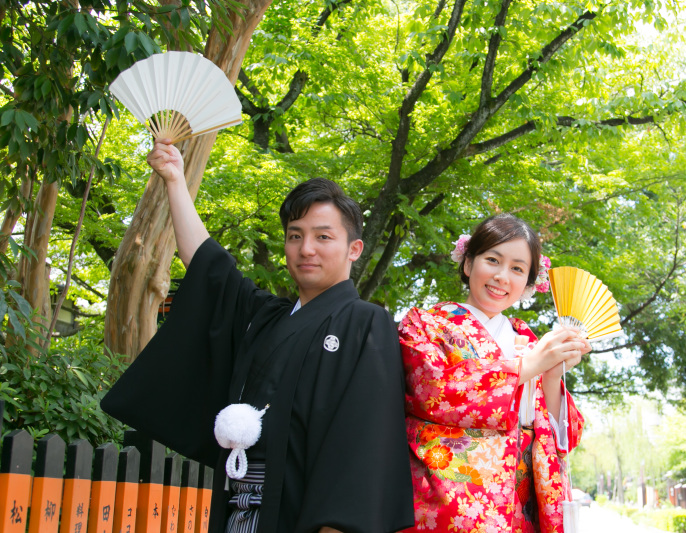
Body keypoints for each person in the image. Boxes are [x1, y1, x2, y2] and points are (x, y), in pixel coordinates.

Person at [101, 140, 414, 533]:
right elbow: (208, 268)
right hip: (239, 503)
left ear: (354, 249)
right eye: (295, 236)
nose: (306, 249)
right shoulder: (267, 317)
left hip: (307, 511)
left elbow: (365, 438)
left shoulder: (366, 323)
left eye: (323, 237)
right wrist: (175, 180)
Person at [398, 214, 592, 533]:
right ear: (468, 263)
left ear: (528, 284)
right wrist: (527, 367)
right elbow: (434, 391)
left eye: (517, 268)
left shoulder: (530, 341)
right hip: (447, 501)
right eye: (493, 260)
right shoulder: (424, 324)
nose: (502, 276)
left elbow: (562, 439)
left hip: (517, 510)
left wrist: (551, 376)